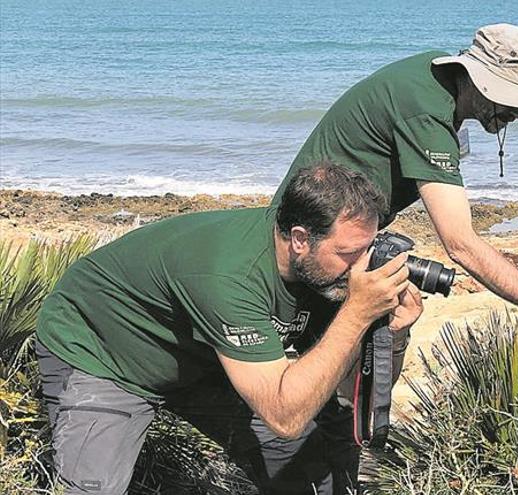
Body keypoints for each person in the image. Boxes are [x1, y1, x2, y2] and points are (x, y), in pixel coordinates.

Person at [35, 163, 421, 494]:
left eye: (367, 249)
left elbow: (344, 389)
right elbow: (284, 416)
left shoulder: (324, 272)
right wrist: (356, 314)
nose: (361, 267)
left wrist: (388, 331)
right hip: (103, 352)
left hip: (200, 355)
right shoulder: (231, 277)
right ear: (300, 239)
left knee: (301, 462)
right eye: (349, 253)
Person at [274, 23, 518, 350]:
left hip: (339, 244)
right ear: (477, 78)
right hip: (307, 250)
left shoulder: (435, 81)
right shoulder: (425, 109)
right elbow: (461, 244)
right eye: (514, 99)